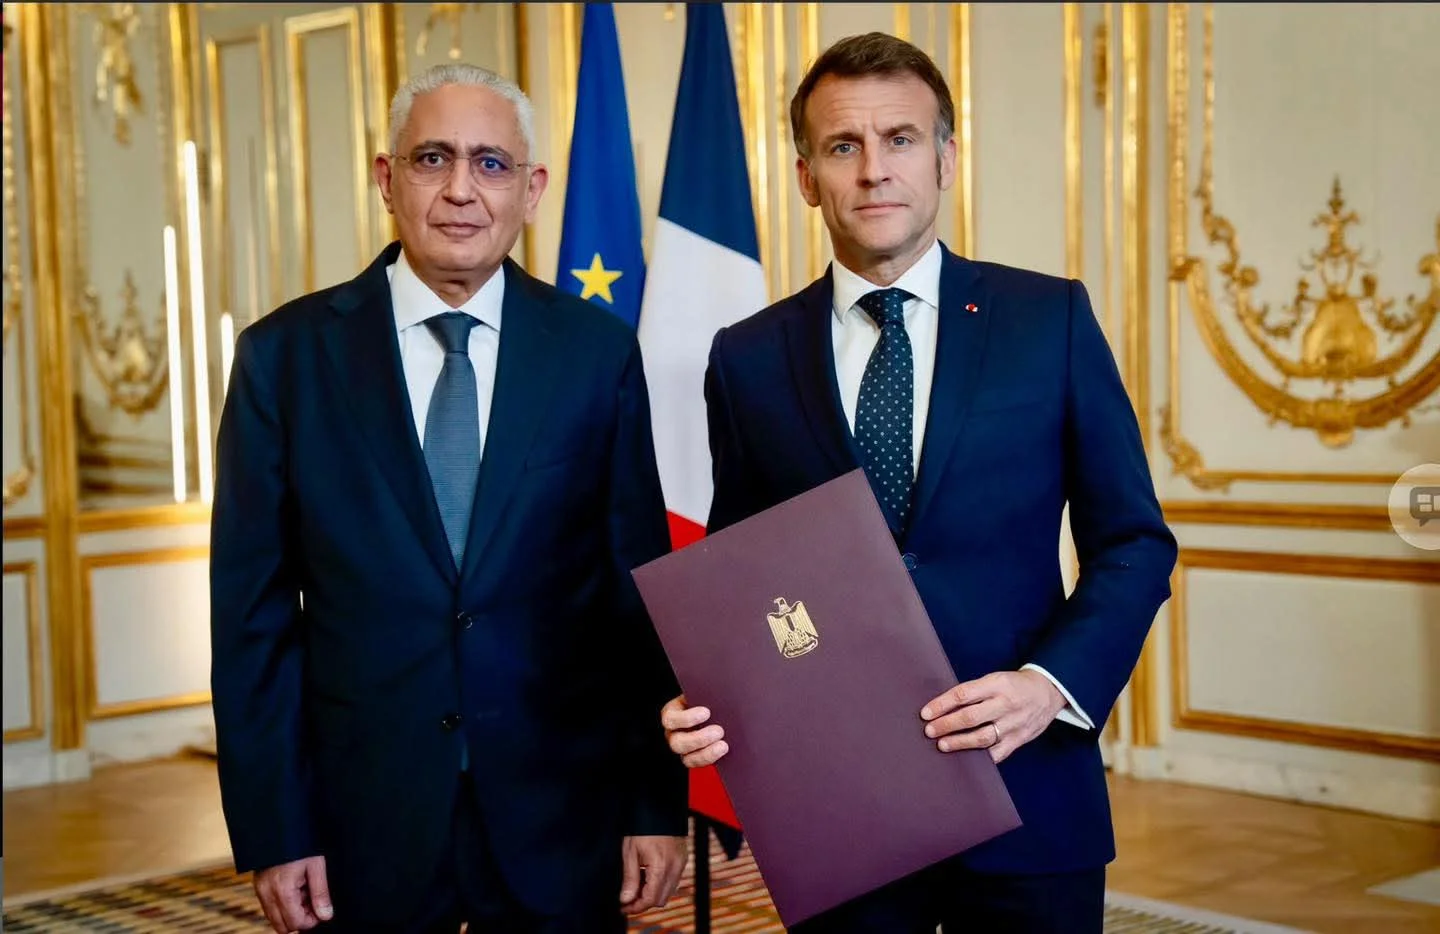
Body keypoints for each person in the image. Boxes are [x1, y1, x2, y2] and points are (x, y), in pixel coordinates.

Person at [660, 32, 1178, 933]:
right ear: (806, 176)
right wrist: (709, 693)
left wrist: (1049, 686)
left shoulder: (1048, 320)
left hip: (1028, 787)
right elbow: (745, 579)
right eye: (843, 146)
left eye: (900, 139)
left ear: (944, 159)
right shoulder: (747, 357)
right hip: (839, 809)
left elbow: (1133, 542)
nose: (874, 170)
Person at [210, 63, 687, 934]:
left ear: (532, 191)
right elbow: (253, 621)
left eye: (491, 163)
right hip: (361, 823)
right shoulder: (284, 359)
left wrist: (652, 802)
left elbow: (638, 600)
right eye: (432, 158)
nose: (462, 190)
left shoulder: (596, 354)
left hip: (561, 815)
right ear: (386, 178)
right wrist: (276, 827)